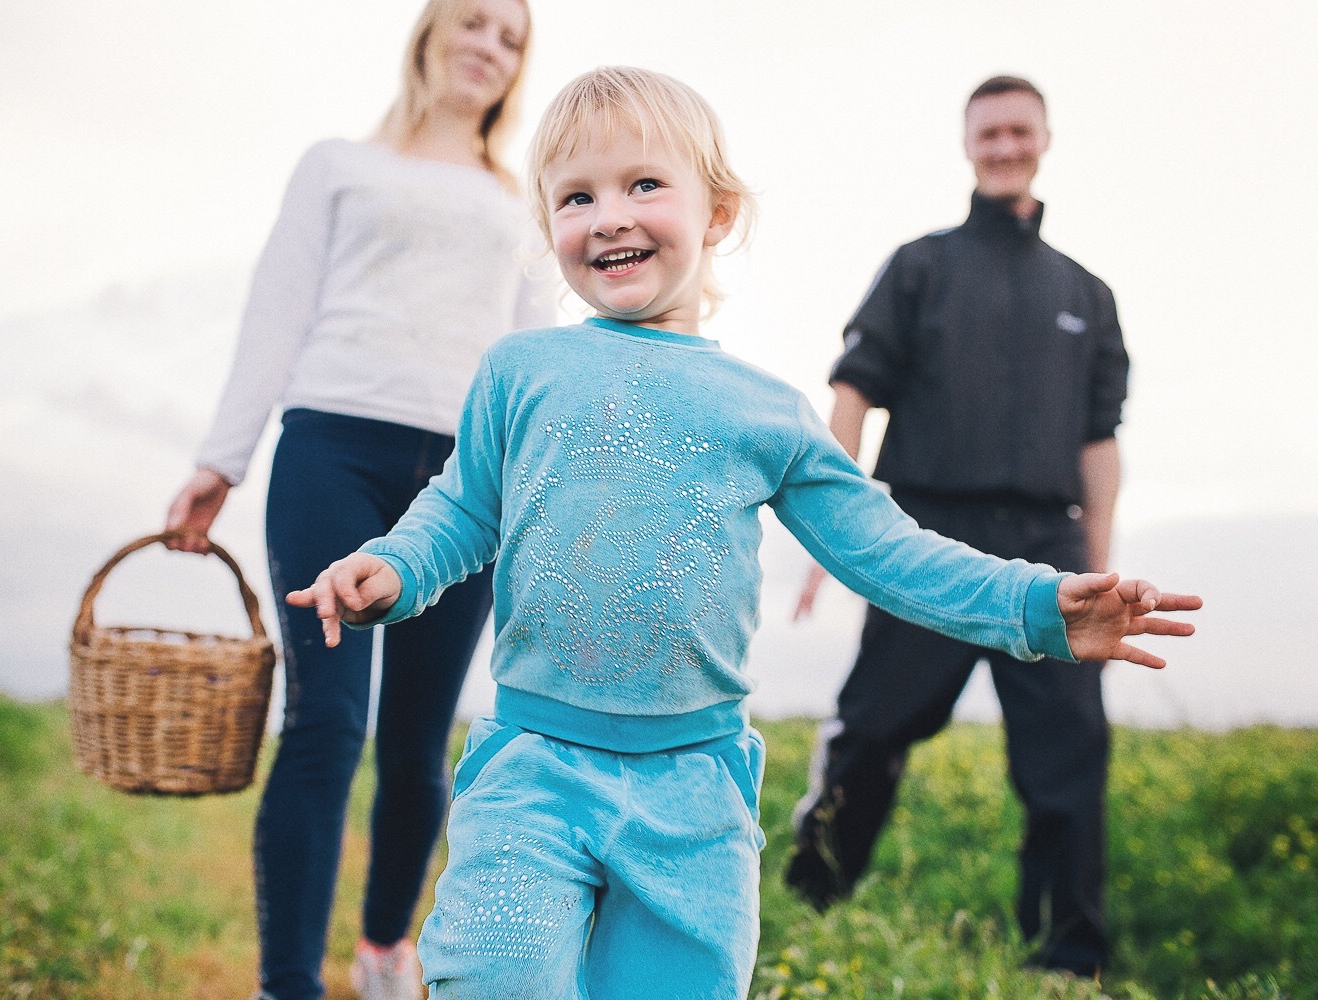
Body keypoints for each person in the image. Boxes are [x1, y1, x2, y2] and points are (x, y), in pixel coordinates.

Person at [285, 66, 1200, 1000]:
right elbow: (463, 508)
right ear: (548, 226)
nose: (609, 215)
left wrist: (1036, 605)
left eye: (644, 184)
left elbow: (886, 550)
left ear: (718, 214)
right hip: (534, 765)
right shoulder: (521, 372)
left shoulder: (766, 412)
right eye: (576, 196)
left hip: (693, 796)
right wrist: (394, 567)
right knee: (496, 976)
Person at [162, 2, 550, 998]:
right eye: (472, 22)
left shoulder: (522, 201)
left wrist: (535, 493)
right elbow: (277, 305)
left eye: (509, 39)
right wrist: (223, 456)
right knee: (327, 723)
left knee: (418, 740)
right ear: (429, 34)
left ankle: (384, 949)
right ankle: (286, 981)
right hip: (332, 446)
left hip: (467, 482)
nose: (486, 47)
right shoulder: (337, 162)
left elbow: (532, 357)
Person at [783, 75, 1134, 977]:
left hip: (1050, 546)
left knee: (1069, 755)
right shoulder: (920, 266)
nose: (1006, 145)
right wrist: (833, 522)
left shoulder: (1086, 295)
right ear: (968, 143)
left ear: (1044, 138)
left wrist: (1098, 569)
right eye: (990, 132)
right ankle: (809, 902)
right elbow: (853, 392)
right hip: (923, 533)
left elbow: (1101, 443)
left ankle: (1068, 956)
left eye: (1020, 130)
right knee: (870, 733)